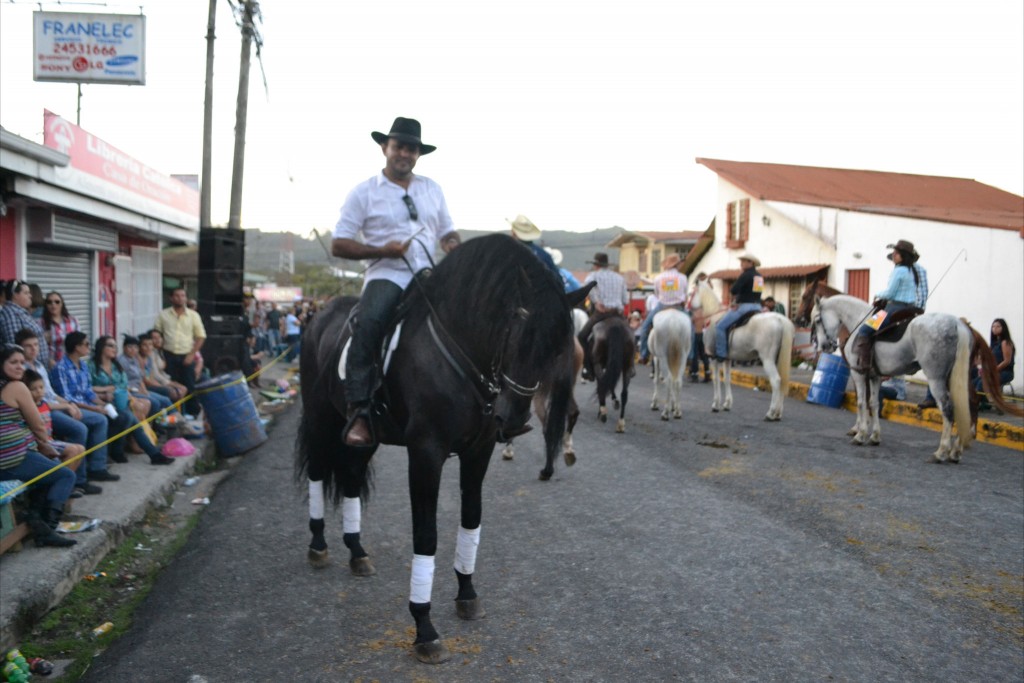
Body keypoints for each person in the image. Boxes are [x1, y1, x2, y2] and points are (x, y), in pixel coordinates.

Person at [331, 116, 460, 446]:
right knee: (370, 323)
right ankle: (359, 409)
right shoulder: (364, 192)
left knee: (467, 320)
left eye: (412, 149)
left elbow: (447, 232)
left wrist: (452, 245)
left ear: (418, 154)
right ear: (384, 148)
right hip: (387, 274)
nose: (405, 153)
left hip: (428, 273)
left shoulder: (432, 189)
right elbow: (339, 244)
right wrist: (382, 250)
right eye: (399, 146)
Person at [0, 344, 78, 547]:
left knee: (46, 475)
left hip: (9, 459)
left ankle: (35, 520)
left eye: (22, 362)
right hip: (12, 459)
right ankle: (47, 530)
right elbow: (38, 425)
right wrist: (45, 443)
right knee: (65, 475)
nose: (20, 367)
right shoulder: (17, 387)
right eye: (13, 362)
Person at [16, 328, 106, 495]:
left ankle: (90, 471)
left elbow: (51, 394)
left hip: (53, 405)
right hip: (42, 411)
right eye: (28, 346)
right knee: (79, 428)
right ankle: (79, 480)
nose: (33, 349)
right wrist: (66, 406)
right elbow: (37, 403)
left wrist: (69, 404)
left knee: (99, 419)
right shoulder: (21, 372)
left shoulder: (40, 366)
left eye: (36, 344)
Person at [89, 335, 173, 466]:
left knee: (132, 417)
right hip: (100, 402)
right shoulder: (91, 366)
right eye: (110, 346)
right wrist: (105, 391)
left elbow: (123, 384)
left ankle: (148, 453)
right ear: (101, 347)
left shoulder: (116, 365)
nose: (114, 349)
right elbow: (87, 388)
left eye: (115, 346)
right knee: (129, 418)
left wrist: (114, 390)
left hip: (119, 400)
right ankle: (149, 454)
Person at [851, 240, 925, 372]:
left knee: (864, 330)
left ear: (903, 256)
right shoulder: (911, 271)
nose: (893, 255)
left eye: (897, 253)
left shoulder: (899, 271)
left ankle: (865, 364)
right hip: (910, 308)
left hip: (895, 308)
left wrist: (877, 294)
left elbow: (890, 293)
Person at [22, 367, 85, 490]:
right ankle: (60, 488)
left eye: (41, 387)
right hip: (39, 444)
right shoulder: (28, 408)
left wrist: (68, 405)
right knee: (73, 451)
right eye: (34, 389)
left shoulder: (44, 404)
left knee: (81, 449)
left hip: (50, 441)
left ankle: (63, 486)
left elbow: (53, 405)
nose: (39, 392)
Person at [154, 287, 206, 418]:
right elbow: (156, 335)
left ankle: (192, 414)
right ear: (171, 298)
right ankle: (172, 414)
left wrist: (192, 354)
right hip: (168, 355)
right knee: (170, 385)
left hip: (187, 355)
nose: (180, 298)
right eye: (177, 296)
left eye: (183, 296)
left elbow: (201, 337)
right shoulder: (163, 315)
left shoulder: (193, 316)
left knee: (189, 385)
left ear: (186, 298)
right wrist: (160, 355)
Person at [577, 252, 629, 380]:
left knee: (582, 336)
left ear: (596, 265)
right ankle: (630, 366)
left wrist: (596, 302)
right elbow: (625, 300)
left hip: (601, 313)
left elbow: (588, 290)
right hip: (617, 313)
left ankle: (587, 368)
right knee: (629, 337)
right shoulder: (619, 278)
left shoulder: (592, 276)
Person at [638, 253, 688, 364]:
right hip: (678, 307)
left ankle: (644, 354)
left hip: (662, 306)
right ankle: (690, 356)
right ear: (677, 265)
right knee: (691, 329)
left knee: (645, 328)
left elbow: (656, 294)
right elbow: (685, 293)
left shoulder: (658, 278)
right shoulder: (683, 277)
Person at [714, 254, 764, 361]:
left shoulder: (745, 275)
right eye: (741, 261)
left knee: (720, 326)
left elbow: (734, 290)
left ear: (751, 263)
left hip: (745, 307)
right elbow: (757, 293)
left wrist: (736, 299)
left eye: (744, 261)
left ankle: (721, 353)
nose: (741, 263)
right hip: (758, 307)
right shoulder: (759, 276)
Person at [118, 334, 175, 418]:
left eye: (135, 347)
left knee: (165, 400)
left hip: (140, 389)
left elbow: (140, 378)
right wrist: (140, 391)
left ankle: (177, 419)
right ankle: (156, 424)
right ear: (124, 348)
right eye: (130, 347)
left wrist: (144, 390)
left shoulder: (134, 359)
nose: (133, 350)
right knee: (155, 402)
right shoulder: (121, 361)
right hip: (131, 392)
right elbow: (122, 382)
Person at [0, 280, 50, 369]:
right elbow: (15, 346)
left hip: (36, 367)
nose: (30, 296)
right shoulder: (11, 314)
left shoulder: (20, 312)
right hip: (28, 369)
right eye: (26, 293)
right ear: (15, 295)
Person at [972, 318, 1016, 411]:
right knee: (974, 381)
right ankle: (984, 403)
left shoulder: (1005, 342)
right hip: (993, 371)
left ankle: (977, 404)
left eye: (998, 326)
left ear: (1003, 328)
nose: (994, 328)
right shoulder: (994, 344)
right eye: (993, 326)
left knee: (982, 382)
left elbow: (1007, 361)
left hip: (1005, 372)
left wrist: (993, 371)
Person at [141, 329, 188, 402]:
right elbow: (155, 375)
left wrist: (170, 381)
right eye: (154, 338)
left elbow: (161, 372)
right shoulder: (150, 354)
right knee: (178, 391)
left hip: (163, 379)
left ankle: (178, 408)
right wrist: (168, 383)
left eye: (159, 337)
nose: (158, 340)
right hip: (156, 382)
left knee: (183, 388)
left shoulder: (159, 351)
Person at [39, 291, 81, 369]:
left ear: (62, 304)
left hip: (70, 365)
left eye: (57, 302)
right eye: (49, 302)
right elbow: (38, 346)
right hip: (50, 366)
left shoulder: (73, 321)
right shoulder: (40, 323)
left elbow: (79, 343)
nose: (53, 304)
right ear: (46, 305)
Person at [687, 273, 711, 382]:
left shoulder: (696, 296)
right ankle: (707, 373)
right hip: (704, 330)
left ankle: (694, 373)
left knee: (695, 353)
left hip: (696, 330)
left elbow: (690, 309)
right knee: (703, 353)